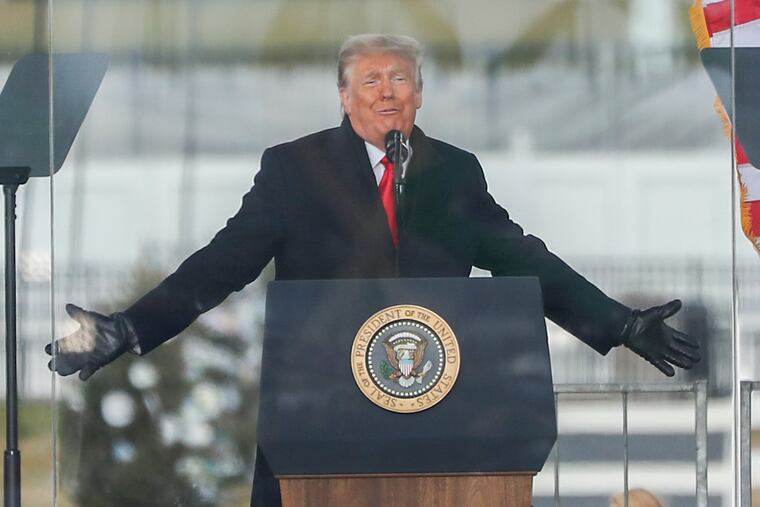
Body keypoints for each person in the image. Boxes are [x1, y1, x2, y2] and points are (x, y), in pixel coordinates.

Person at [46, 34, 700, 506]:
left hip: (439, 421)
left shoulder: (453, 172)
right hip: (316, 422)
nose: (387, 92)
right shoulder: (294, 170)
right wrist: (129, 327)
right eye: (370, 80)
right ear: (343, 94)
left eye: (400, 79)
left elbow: (521, 256)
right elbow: (223, 263)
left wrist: (619, 324)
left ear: (420, 93)